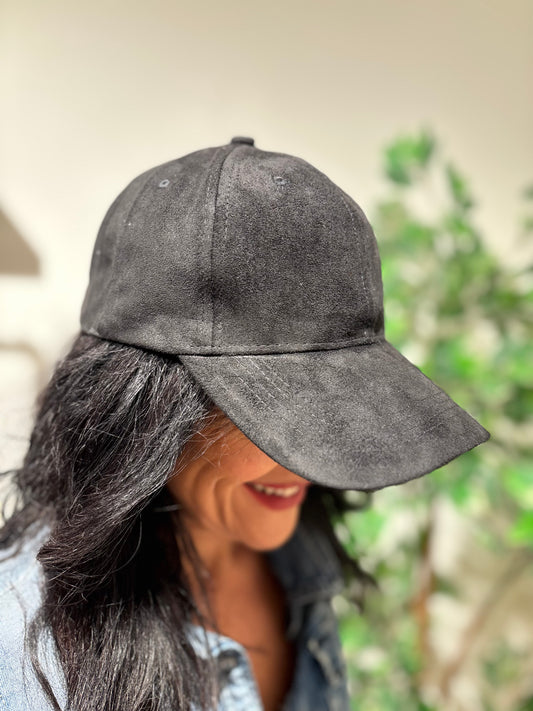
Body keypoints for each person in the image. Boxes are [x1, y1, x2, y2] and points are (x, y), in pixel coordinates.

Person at [0, 136, 490, 711]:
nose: (310, 459)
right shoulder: (26, 650)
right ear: (148, 413)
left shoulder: (294, 555)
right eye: (273, 409)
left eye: (338, 403)